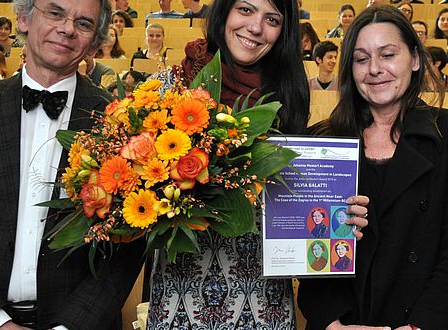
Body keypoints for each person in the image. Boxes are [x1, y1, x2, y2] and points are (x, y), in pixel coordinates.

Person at [0, 0, 146, 328]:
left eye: (83, 23)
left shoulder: (119, 122)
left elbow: (127, 246)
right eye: (55, 13)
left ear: (96, 40)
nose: (67, 28)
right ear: (24, 19)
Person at [145, 1, 370, 329]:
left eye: (272, 19)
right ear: (224, 12)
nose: (255, 27)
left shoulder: (288, 95)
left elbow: (296, 204)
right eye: (246, 10)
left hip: (262, 298)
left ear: (283, 31)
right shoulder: (171, 85)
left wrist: (339, 218)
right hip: (182, 295)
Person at [299, 5, 448, 329]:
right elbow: (309, 250)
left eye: (387, 55)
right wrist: (332, 322)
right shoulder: (322, 140)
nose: (374, 69)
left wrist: (418, 326)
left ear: (414, 59)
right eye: (361, 59)